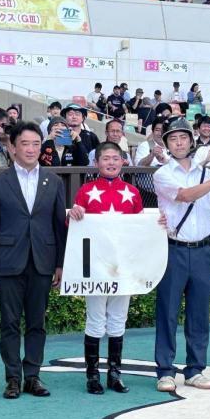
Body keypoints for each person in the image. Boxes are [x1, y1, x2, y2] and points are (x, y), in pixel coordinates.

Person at [0, 123, 67, 400]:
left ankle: (33, 376)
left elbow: (58, 226)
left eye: (35, 143)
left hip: (43, 261)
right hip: (8, 261)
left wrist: (60, 263)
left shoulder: (53, 181)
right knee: (9, 323)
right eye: (25, 143)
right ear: (13, 147)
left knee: (36, 322)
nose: (31, 149)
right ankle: (12, 378)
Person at [152, 117, 210, 392]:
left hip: (202, 250)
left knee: (199, 313)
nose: (179, 142)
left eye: (183, 137)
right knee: (167, 312)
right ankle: (165, 370)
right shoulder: (162, 174)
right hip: (173, 250)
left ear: (191, 140)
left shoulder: (208, 174)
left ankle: (196, 369)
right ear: (167, 144)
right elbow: (184, 195)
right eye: (173, 139)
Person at [68, 142, 149, 394]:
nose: (111, 162)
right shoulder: (85, 191)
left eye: (116, 158)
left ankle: (115, 373)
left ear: (123, 161)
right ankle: (92, 376)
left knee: (118, 319)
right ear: (97, 162)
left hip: (122, 267)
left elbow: (140, 229)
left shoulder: (133, 192)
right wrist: (74, 213)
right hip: (95, 267)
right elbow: (75, 227)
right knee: (95, 319)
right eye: (106, 158)